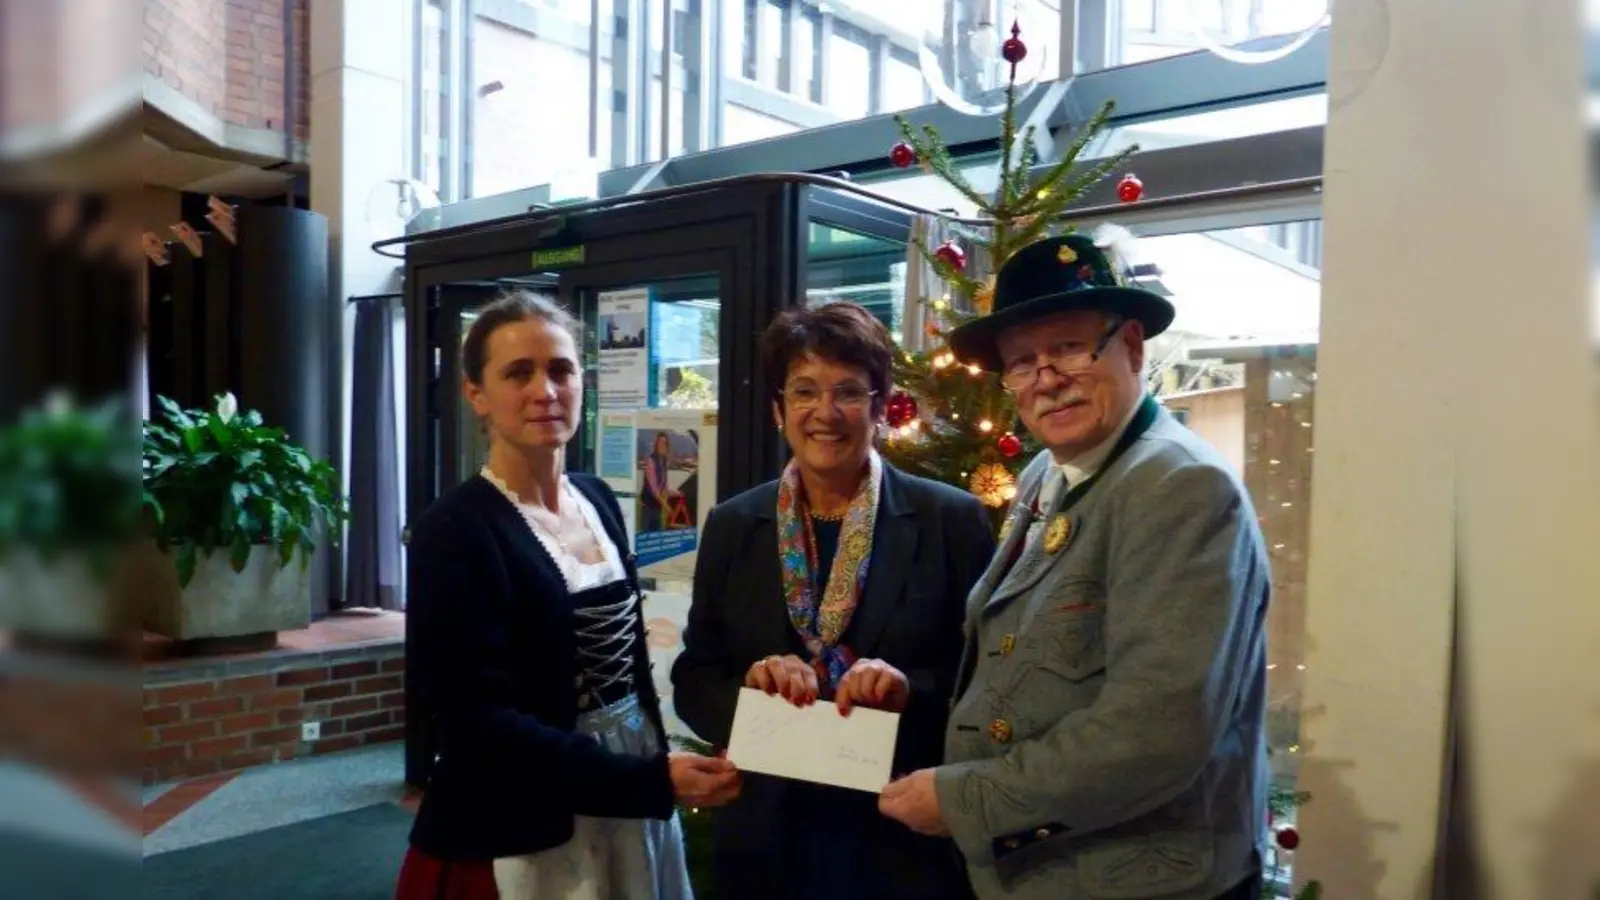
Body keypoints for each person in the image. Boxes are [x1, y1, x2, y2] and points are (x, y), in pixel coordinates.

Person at [877, 232, 1272, 900]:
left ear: (1134, 346)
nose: (1046, 379)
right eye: (1022, 362)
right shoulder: (1044, 474)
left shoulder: (1180, 487)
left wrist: (967, 798)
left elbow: (1155, 732)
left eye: (1067, 347)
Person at [395, 290, 740, 900]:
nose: (545, 391)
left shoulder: (598, 499)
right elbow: (478, 724)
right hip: (525, 813)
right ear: (476, 394)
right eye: (518, 373)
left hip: (631, 781)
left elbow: (629, 671)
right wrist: (646, 782)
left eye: (560, 369)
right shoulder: (454, 531)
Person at [670, 301, 996, 900]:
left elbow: (989, 681)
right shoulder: (734, 524)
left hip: (902, 837)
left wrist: (907, 687)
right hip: (768, 840)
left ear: (879, 407)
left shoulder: (951, 520)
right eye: (803, 391)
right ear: (778, 409)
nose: (826, 413)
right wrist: (750, 682)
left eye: (848, 391)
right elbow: (694, 677)